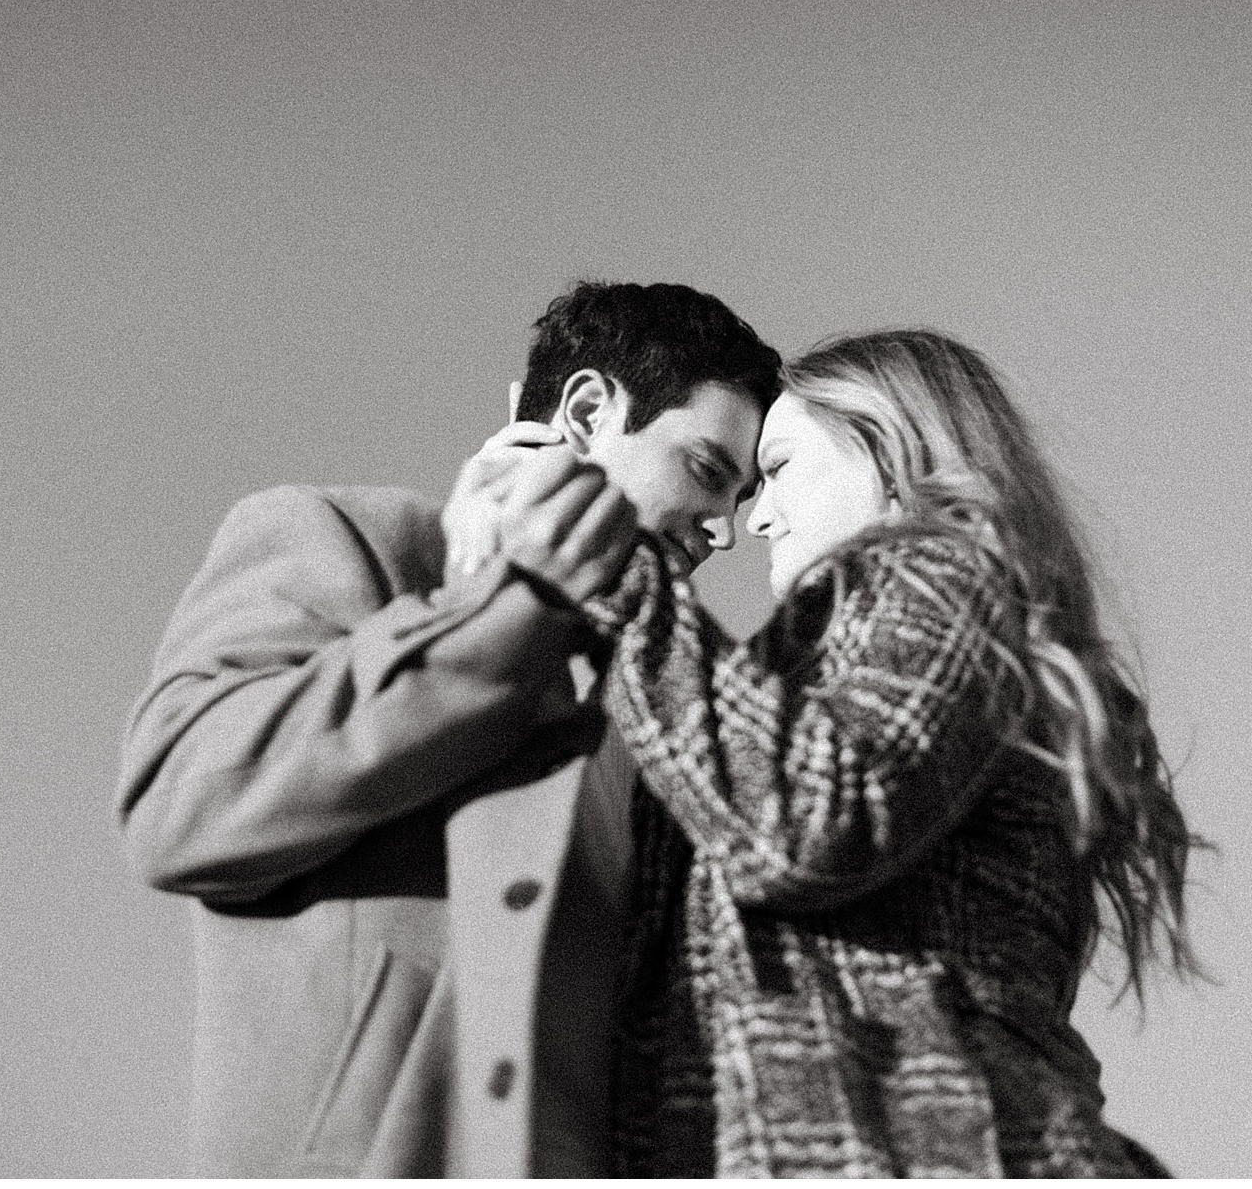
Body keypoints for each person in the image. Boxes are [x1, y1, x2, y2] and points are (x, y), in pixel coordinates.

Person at [115, 281, 780, 1177]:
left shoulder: (671, 711)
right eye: (706, 471)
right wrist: (509, 607)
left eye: (741, 497)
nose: (724, 531)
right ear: (587, 411)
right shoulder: (350, 541)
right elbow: (181, 808)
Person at [548, 328, 1202, 1176]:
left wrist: (605, 553)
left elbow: (811, 818)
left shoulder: (946, 572)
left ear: (891, 452)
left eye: (776, 468)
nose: (756, 519)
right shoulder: (810, 676)